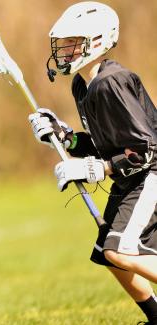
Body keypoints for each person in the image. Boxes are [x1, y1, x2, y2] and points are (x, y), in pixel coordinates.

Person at [28, 2, 157, 324]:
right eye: (63, 44)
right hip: (133, 180)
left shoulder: (112, 81)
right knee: (108, 254)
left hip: (150, 176)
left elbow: (145, 149)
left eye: (73, 42)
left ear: (98, 40)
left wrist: (100, 169)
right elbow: (105, 144)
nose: (65, 51)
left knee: (122, 250)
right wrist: (65, 138)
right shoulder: (84, 85)